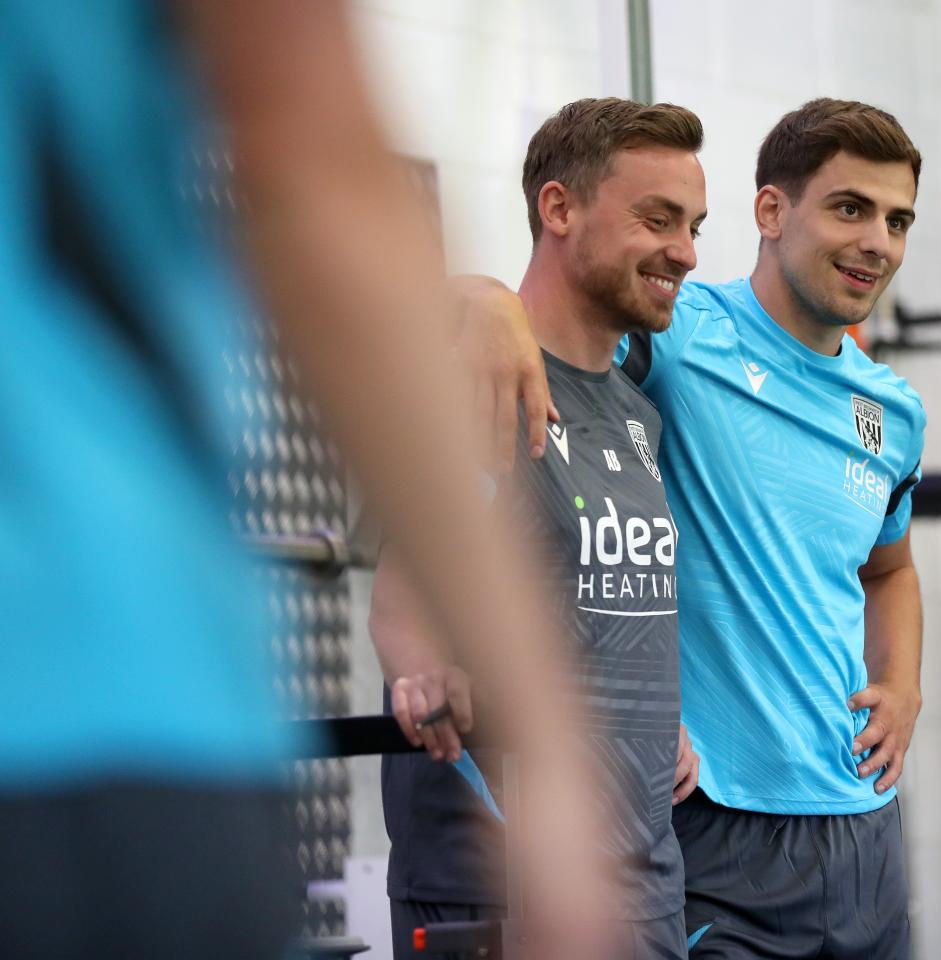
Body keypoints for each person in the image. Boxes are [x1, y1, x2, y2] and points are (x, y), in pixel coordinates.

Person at [0, 3, 607, 958]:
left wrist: (478, 298)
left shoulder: (641, 402)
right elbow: (310, 159)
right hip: (94, 693)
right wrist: (553, 746)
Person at [470, 98, 927, 958]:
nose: (878, 241)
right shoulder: (677, 337)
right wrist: (485, 297)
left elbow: (890, 571)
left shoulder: (893, 412)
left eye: (897, 220)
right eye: (850, 208)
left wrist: (901, 686)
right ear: (771, 211)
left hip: (863, 825)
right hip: (716, 821)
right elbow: (554, 315)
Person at [374, 97, 707, 960]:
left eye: (694, 225)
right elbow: (402, 599)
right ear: (558, 208)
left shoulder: (639, 410)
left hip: (639, 879)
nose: (686, 250)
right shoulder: (478, 379)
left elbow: (599, 597)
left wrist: (654, 715)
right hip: (498, 880)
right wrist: (422, 670)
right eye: (657, 218)